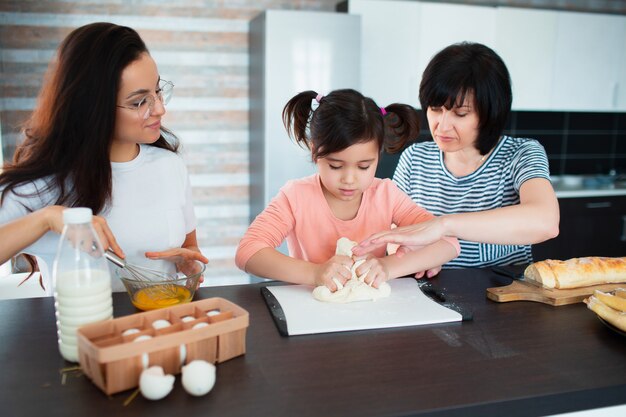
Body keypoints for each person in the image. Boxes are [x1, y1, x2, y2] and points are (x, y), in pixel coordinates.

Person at [0, 22, 208, 293]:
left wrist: (188, 262)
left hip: (158, 328)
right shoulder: (41, 186)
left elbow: (189, 247)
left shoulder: (170, 165)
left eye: (157, 91)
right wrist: (47, 218)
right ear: (92, 108)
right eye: (138, 102)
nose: (160, 109)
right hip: (80, 333)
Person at [353, 42, 559, 270]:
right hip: (426, 293)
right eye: (435, 109)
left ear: (490, 113)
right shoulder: (415, 158)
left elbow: (546, 222)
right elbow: (394, 233)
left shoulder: (520, 155)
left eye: (460, 113)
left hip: (499, 295)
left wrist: (444, 226)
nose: (442, 125)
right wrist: (408, 253)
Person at [235, 89, 460, 291]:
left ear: (378, 157)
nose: (349, 179)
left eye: (364, 166)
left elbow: (448, 242)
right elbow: (248, 252)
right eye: (335, 166)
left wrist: (388, 267)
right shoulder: (295, 196)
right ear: (315, 152)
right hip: (312, 307)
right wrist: (314, 273)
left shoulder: (386, 194)